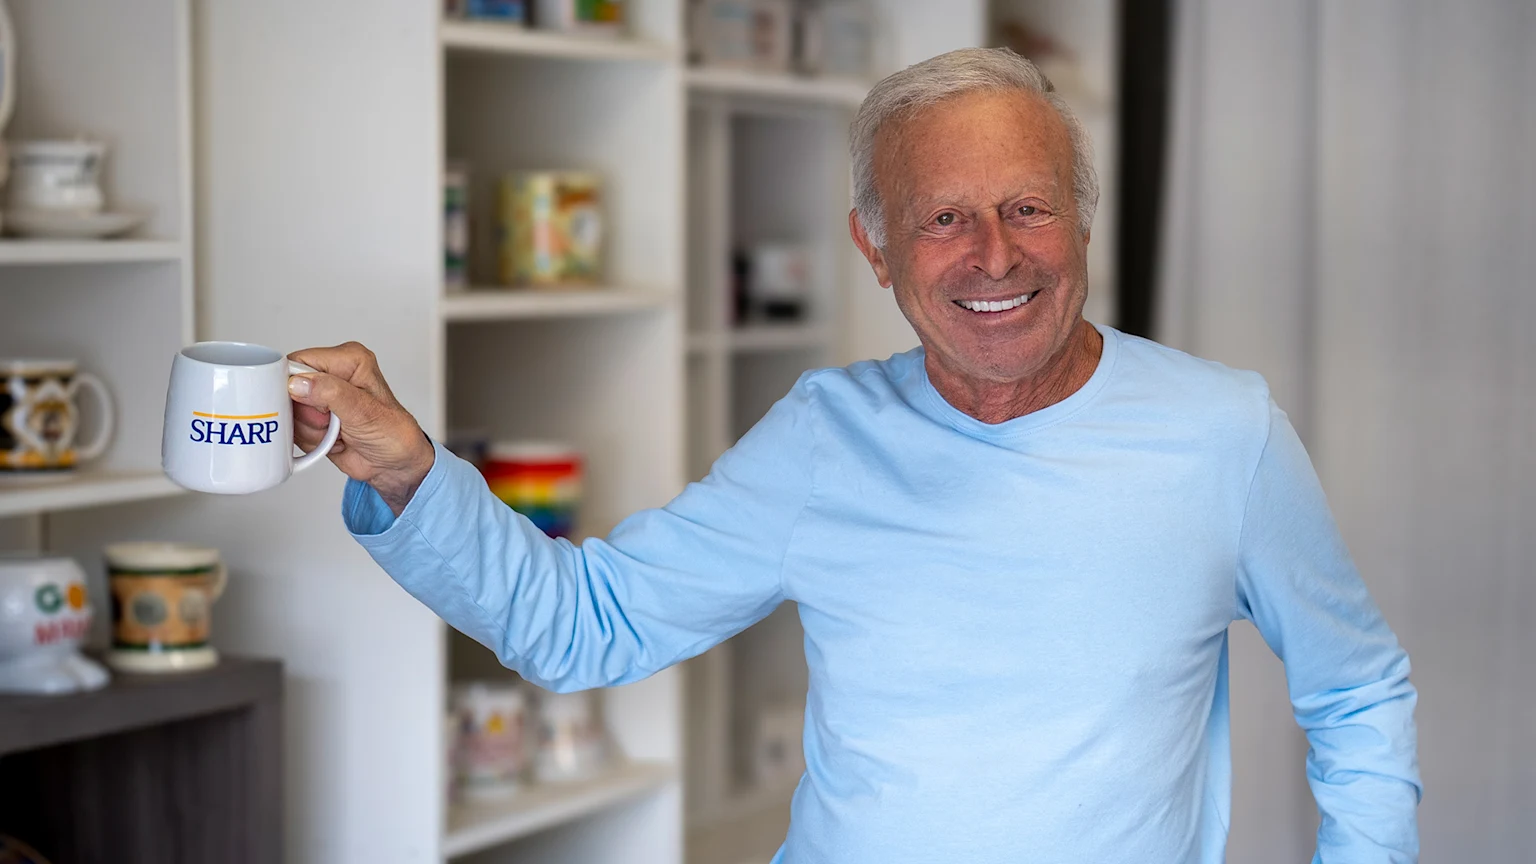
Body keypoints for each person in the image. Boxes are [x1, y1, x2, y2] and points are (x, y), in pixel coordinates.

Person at [287, 48, 1420, 863]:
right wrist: (404, 470)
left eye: (1028, 208)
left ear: (1081, 224)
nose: (993, 256)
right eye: (942, 219)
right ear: (874, 249)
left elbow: (1357, 687)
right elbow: (586, 626)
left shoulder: (1224, 431)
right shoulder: (825, 436)